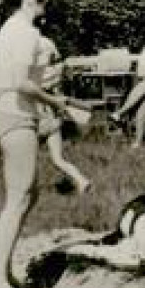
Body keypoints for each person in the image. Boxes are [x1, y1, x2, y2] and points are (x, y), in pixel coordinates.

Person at [0, 0, 75, 288]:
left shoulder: (9, 29)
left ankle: (4, 273)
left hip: (8, 113)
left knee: (28, 194)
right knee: (19, 197)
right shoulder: (26, 32)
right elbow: (22, 83)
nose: (46, 1)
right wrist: (55, 103)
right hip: (15, 115)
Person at [34, 35, 90, 195]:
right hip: (53, 119)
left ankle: (26, 188)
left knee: (23, 158)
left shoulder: (35, 77)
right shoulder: (54, 74)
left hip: (37, 119)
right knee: (58, 159)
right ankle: (81, 180)